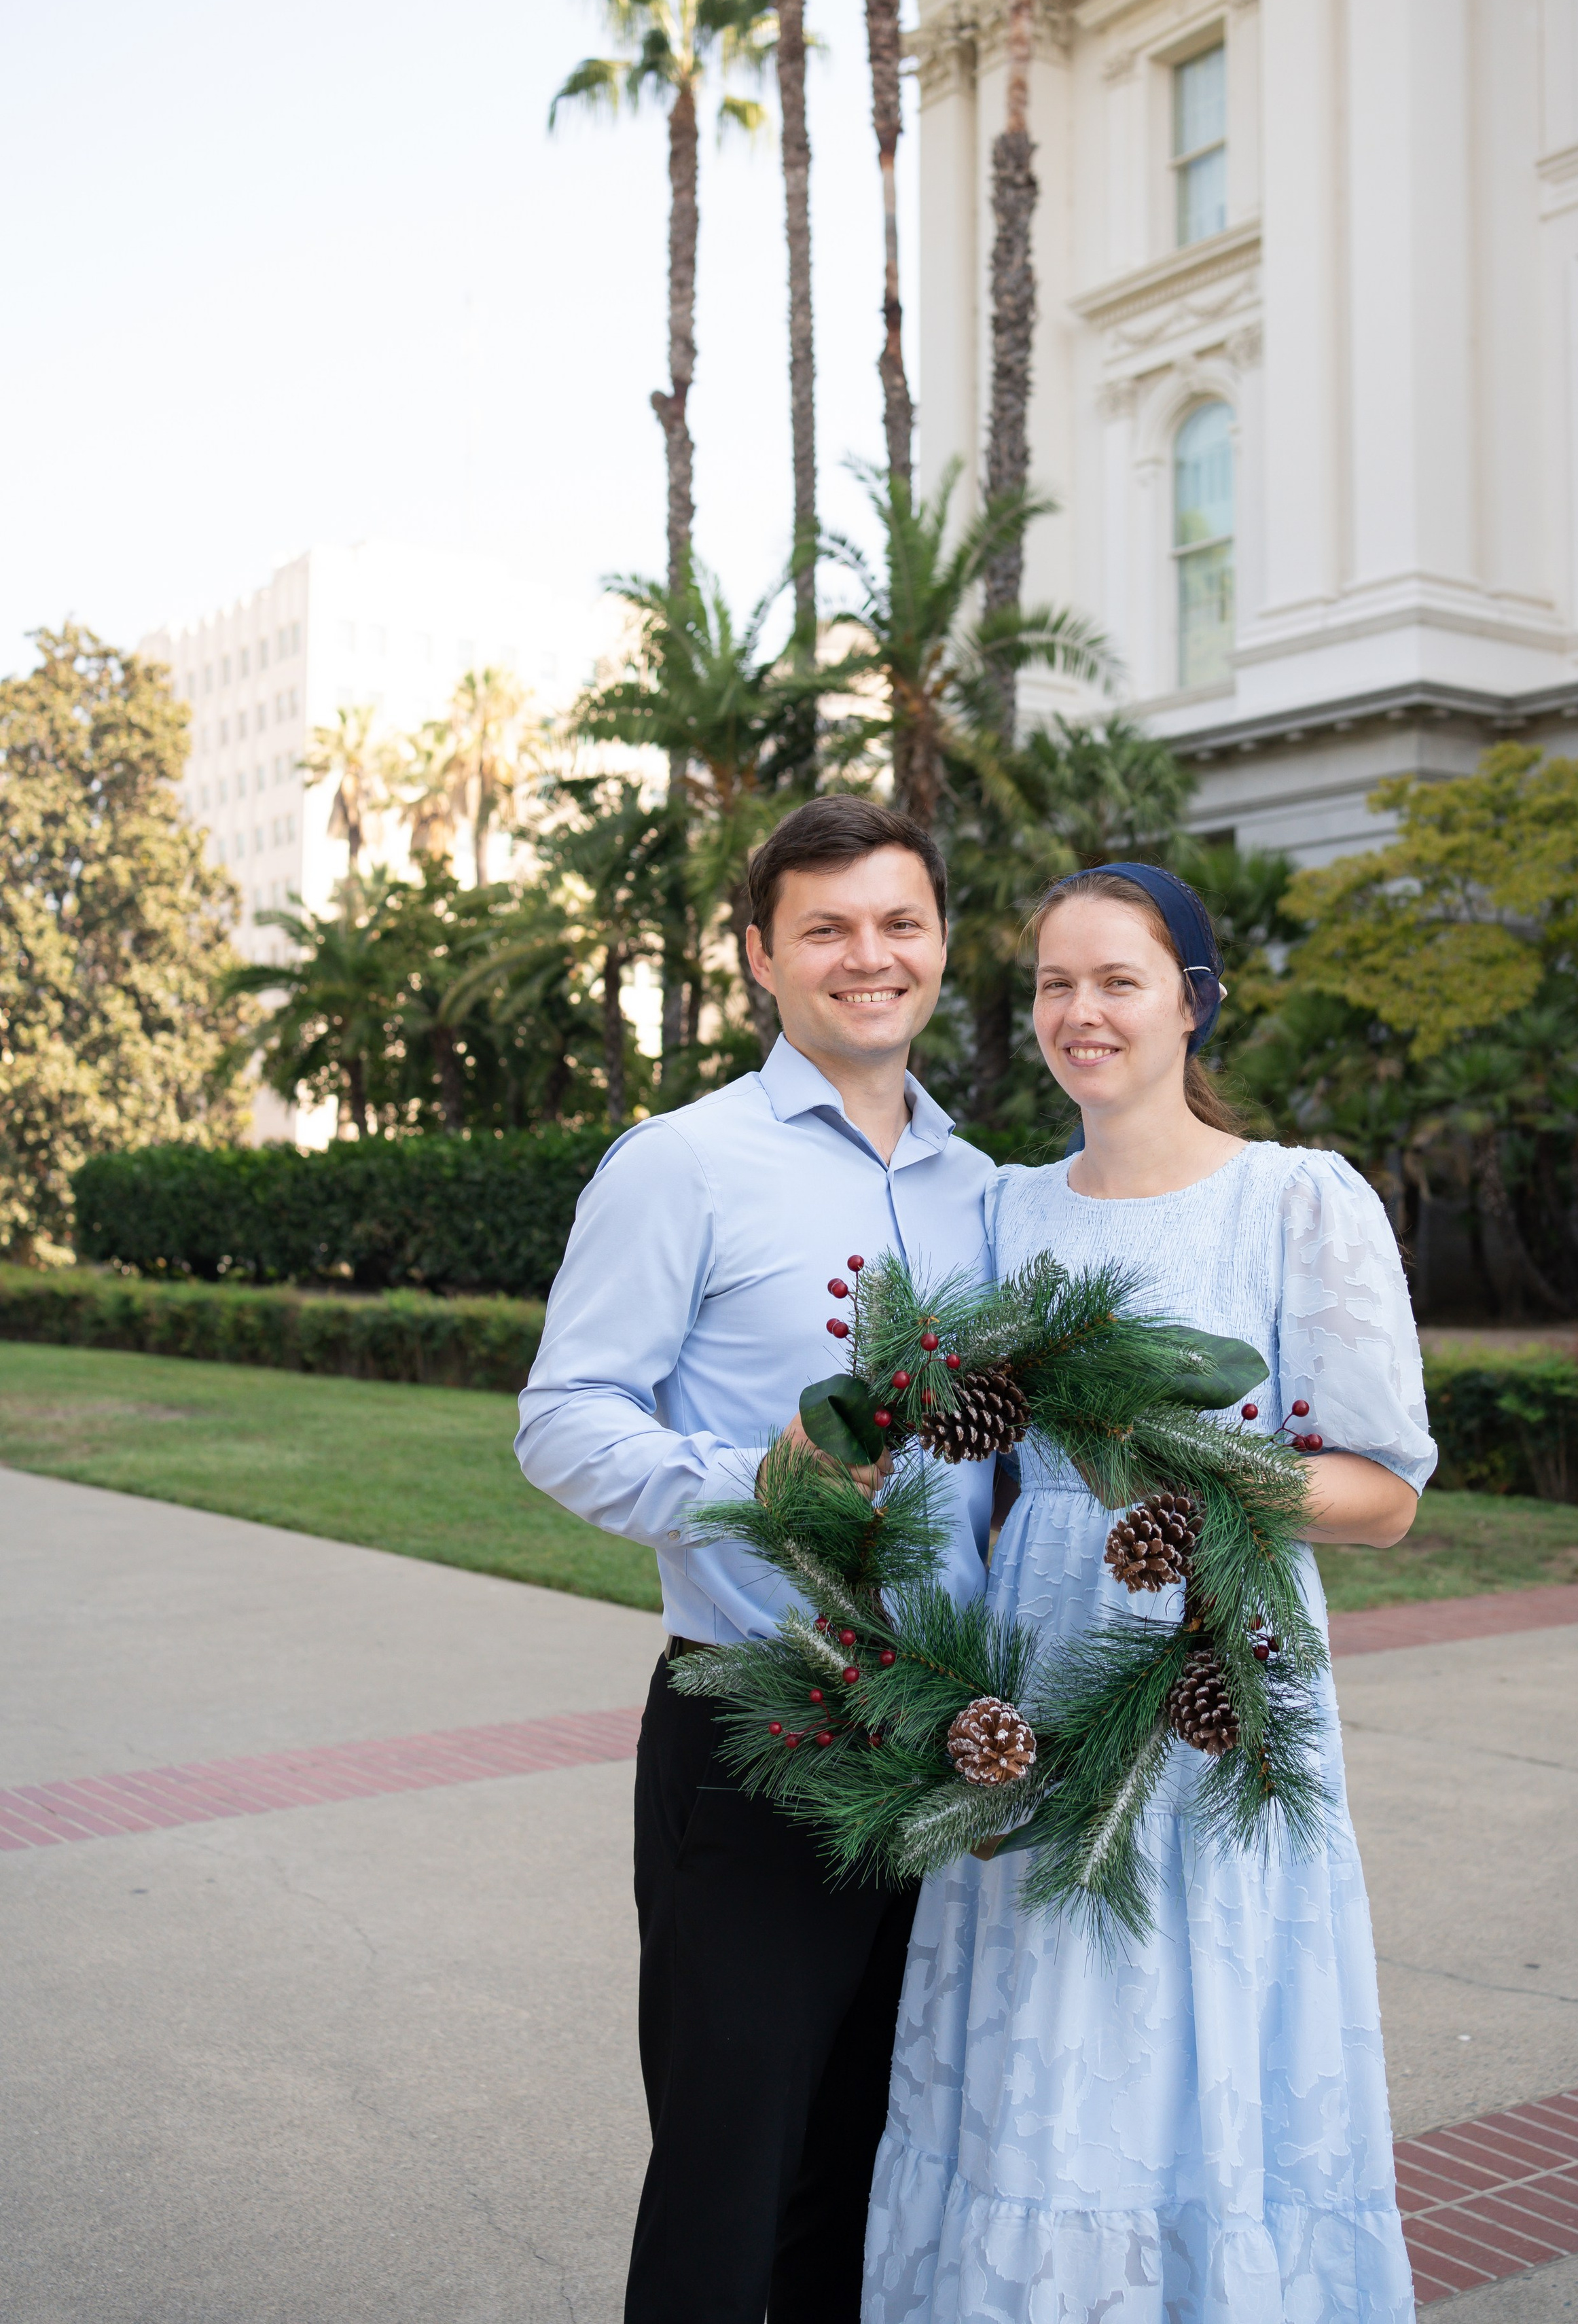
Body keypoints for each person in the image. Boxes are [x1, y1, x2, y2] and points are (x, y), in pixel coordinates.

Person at [862, 863, 1434, 2324]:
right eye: (1052, 981)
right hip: (1036, 1655)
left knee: (1201, 2004)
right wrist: (925, 1667)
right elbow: (954, 1462)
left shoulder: (1294, 1197)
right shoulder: (999, 1207)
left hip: (1217, 1664)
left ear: (1191, 998)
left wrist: (1201, 1478)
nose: (1078, 1011)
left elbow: (1384, 1490)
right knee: (1048, 2016)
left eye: (1115, 979)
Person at [516, 795, 999, 2324]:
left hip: (951, 1745)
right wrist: (757, 1483)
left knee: (877, 2171)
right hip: (757, 1727)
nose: (870, 955)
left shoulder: (986, 1191)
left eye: (898, 921)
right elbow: (564, 1421)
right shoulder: (682, 1163)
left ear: (940, 942)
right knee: (733, 2178)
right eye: (827, 927)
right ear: (757, 957)